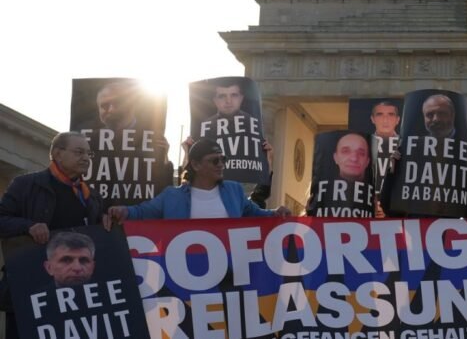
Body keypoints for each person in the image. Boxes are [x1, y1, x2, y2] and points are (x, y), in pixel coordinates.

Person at [0, 132, 107, 336]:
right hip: (29, 291)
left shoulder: (92, 197)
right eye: (79, 152)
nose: (86, 158)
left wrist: (105, 223)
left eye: (88, 153)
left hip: (74, 298)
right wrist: (28, 226)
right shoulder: (26, 185)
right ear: (58, 154)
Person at [106, 139, 291, 222]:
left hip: (228, 276)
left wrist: (276, 212)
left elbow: (256, 214)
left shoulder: (234, 191)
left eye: (223, 159)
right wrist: (121, 210)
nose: (221, 165)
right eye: (214, 160)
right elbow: (141, 212)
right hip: (184, 276)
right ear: (195, 165)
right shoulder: (172, 196)